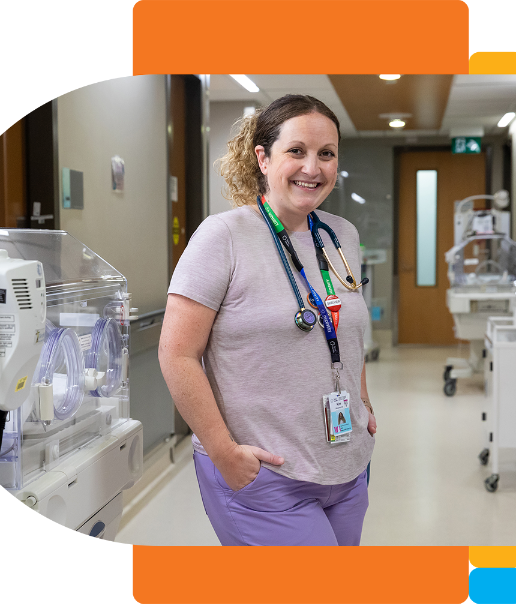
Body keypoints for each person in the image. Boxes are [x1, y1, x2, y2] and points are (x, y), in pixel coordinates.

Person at [158, 94, 376, 546]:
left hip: (345, 464)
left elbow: (345, 329)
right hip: (266, 473)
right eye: (296, 151)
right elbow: (177, 354)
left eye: (326, 154)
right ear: (262, 156)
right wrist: (224, 452)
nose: (312, 168)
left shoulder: (342, 235)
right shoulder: (223, 237)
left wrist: (363, 404)